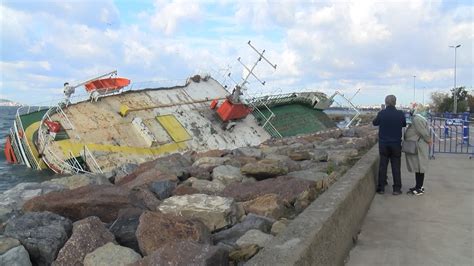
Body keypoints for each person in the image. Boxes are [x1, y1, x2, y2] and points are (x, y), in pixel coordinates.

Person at [372, 95, 407, 195]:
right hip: (396, 144)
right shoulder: (400, 113)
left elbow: (375, 123)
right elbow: (404, 124)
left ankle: (381, 188)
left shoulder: (382, 113)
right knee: (396, 166)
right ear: (395, 102)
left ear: (386, 102)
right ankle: (396, 189)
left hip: (384, 144)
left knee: (383, 166)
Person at [405, 104, 431, 195]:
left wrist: (429, 140)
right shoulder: (419, 118)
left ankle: (419, 188)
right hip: (419, 145)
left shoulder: (417, 119)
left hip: (419, 146)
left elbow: (423, 132)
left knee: (420, 167)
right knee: (418, 167)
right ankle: (418, 186)